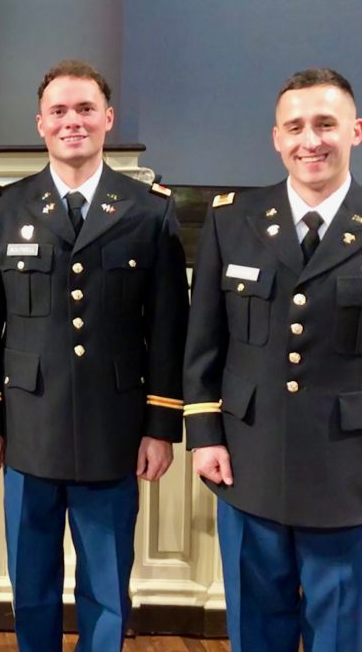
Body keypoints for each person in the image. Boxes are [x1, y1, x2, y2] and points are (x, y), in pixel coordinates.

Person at [0, 60, 189, 651]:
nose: (72, 122)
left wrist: (160, 427)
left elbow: (167, 330)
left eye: (85, 109)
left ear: (108, 118)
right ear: (40, 123)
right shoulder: (2, 210)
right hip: (28, 427)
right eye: (58, 111)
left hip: (115, 428)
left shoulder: (149, 210)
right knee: (30, 582)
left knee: (107, 586)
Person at [184, 67, 362, 652]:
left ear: (355, 131)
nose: (311, 140)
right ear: (276, 138)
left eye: (326, 124)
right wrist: (204, 435)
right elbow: (204, 342)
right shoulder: (232, 220)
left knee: (341, 635)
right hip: (248, 461)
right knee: (255, 631)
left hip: (348, 471)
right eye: (295, 127)